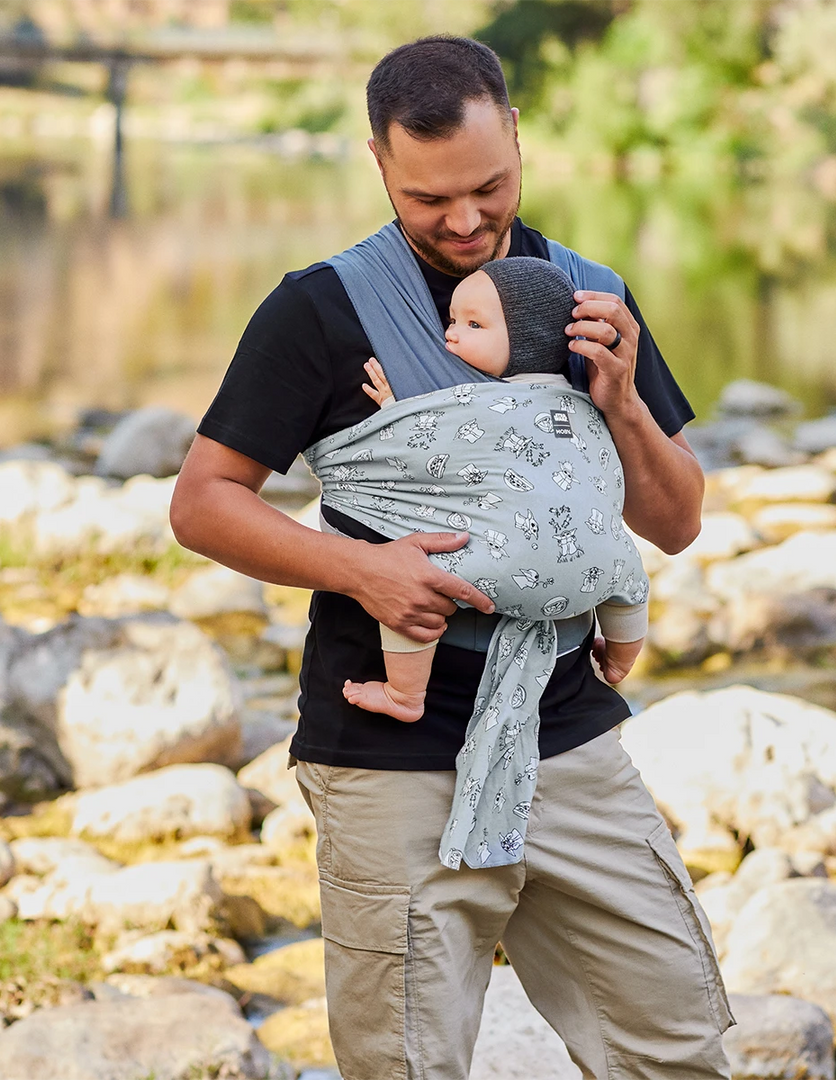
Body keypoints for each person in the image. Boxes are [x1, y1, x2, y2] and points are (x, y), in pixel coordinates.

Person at [171, 34, 732, 1080]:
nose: (468, 222)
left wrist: (621, 406)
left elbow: (675, 521)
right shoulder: (320, 309)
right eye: (432, 199)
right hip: (392, 757)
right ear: (380, 161)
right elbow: (204, 503)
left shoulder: (585, 296)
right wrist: (361, 571)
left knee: (675, 1044)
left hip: (567, 733)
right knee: (408, 1066)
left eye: (490, 186)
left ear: (517, 135)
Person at [343, 256, 647, 724]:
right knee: (629, 570)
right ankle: (622, 659)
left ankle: (405, 694)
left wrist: (390, 408)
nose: (452, 335)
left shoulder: (477, 400)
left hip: (500, 574)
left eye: (473, 324)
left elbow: (424, 448)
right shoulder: (588, 405)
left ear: (526, 337)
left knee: (411, 585)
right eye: (452, 321)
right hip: (594, 577)